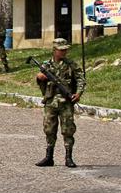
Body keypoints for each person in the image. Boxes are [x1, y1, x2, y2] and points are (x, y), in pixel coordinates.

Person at [35, 38, 86, 168]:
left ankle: (69, 157)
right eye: (61, 50)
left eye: (65, 50)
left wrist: (78, 93)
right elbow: (40, 77)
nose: (64, 52)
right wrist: (39, 77)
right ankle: (49, 157)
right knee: (49, 129)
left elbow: (81, 79)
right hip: (51, 101)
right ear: (54, 50)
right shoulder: (47, 65)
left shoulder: (71, 65)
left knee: (68, 130)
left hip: (66, 102)